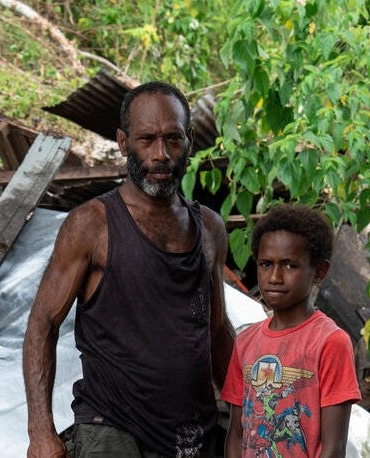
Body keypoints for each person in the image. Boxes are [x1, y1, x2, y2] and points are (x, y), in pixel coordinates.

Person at [23, 81, 234, 458]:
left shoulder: (209, 228)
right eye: (146, 139)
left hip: (193, 434)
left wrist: (245, 412)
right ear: (123, 142)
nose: (161, 154)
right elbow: (42, 324)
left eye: (173, 139)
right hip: (114, 433)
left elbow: (217, 328)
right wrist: (40, 432)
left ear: (188, 141)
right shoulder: (91, 225)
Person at [222, 204, 359, 458]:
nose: (274, 277)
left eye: (289, 265)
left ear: (319, 271)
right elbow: (237, 433)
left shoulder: (330, 342)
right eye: (265, 264)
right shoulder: (245, 342)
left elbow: (333, 448)